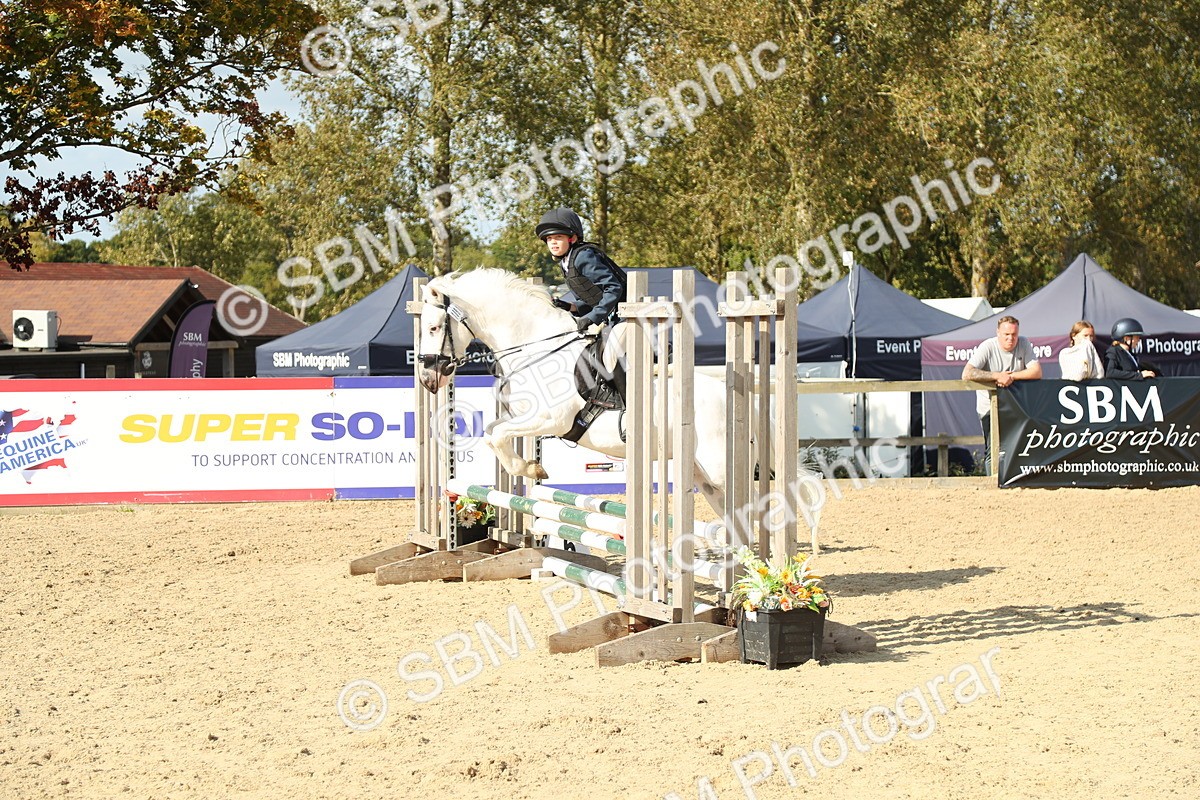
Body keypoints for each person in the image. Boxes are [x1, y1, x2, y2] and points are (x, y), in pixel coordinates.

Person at [962, 315, 1043, 475]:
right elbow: (967, 373)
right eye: (1006, 334)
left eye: (1014, 334)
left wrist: (1011, 377)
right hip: (989, 408)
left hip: (1017, 407)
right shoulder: (987, 346)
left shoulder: (1024, 343)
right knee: (993, 449)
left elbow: (1037, 371)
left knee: (1020, 446)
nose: (1011, 338)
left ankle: (1016, 480)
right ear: (998, 332)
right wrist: (996, 376)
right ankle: (993, 483)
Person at [535, 207, 626, 332]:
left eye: (559, 237)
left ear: (572, 238)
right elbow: (592, 299)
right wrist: (569, 306)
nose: (553, 243)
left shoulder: (583, 256)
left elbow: (613, 288)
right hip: (609, 319)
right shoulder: (566, 262)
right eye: (549, 239)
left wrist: (592, 318)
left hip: (625, 317)